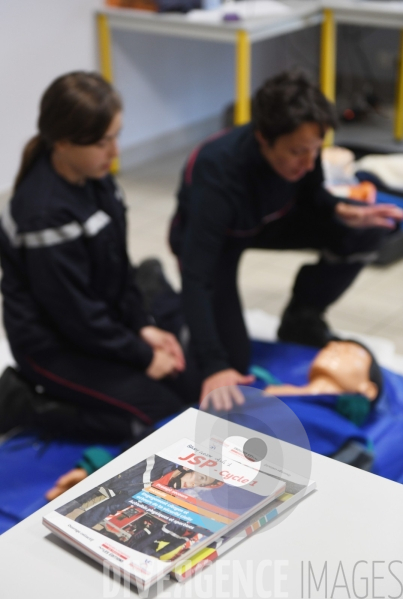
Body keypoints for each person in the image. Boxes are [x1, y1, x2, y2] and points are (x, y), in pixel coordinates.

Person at [169, 70, 403, 411]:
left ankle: (302, 317)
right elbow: (197, 276)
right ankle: (157, 294)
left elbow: (313, 195)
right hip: (218, 240)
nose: (308, 162)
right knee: (232, 367)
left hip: (270, 220)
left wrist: (342, 210)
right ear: (263, 137)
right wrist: (214, 364)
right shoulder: (217, 170)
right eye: (297, 152)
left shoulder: (305, 152)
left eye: (314, 150)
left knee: (369, 228)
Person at [0, 71, 201, 442]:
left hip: (98, 326)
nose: (115, 152)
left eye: (116, 137)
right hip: (53, 348)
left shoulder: (97, 178)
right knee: (159, 415)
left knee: (190, 386)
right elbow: (75, 317)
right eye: (102, 142)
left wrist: (143, 327)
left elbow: (119, 269)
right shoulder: (43, 212)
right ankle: (23, 402)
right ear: (62, 142)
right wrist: (141, 355)